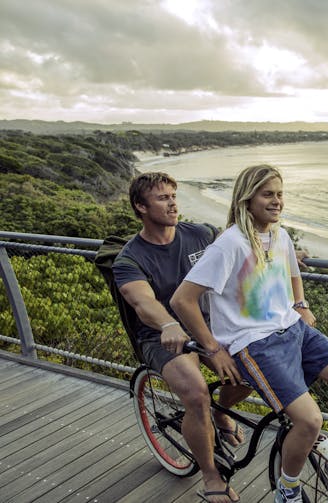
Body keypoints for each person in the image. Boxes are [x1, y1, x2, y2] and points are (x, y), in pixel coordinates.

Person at [170, 164, 328, 503]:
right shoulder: (229, 244)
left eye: (279, 194)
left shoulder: (279, 235)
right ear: (248, 199)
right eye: (268, 194)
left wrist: (301, 303)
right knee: (309, 421)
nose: (276, 201)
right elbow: (182, 299)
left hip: (292, 328)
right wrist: (214, 349)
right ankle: (287, 489)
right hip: (255, 343)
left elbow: (292, 271)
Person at [113, 172, 250, 503]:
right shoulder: (129, 259)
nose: (173, 202)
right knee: (196, 393)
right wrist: (167, 324)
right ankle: (211, 476)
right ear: (140, 207)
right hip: (161, 337)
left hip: (208, 324)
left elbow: (241, 253)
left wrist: (283, 258)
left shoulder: (201, 234)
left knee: (251, 370)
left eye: (174, 195)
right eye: (162, 197)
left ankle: (221, 413)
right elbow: (143, 303)